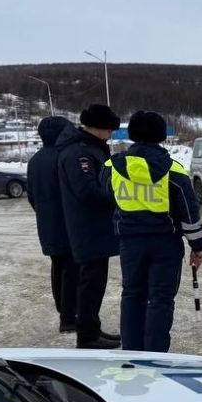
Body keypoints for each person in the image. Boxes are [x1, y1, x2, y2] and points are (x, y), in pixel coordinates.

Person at [103, 111, 202, 353]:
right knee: (160, 299)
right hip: (165, 244)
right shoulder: (175, 171)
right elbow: (189, 215)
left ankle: (131, 349)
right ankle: (156, 353)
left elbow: (105, 196)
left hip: (129, 243)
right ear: (161, 137)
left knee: (132, 295)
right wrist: (198, 246)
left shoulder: (112, 167)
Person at [56, 103, 122, 350]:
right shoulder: (79, 154)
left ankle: (91, 329)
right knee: (90, 283)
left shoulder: (90, 148)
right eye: (110, 130)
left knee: (95, 282)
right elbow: (88, 192)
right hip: (89, 228)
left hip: (95, 228)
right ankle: (86, 336)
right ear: (100, 128)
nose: (111, 135)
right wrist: (119, 194)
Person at [26, 115, 78, 333]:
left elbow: (32, 196)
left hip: (46, 222)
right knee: (72, 269)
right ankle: (68, 317)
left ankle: (62, 310)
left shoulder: (35, 160)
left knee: (58, 266)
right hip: (67, 222)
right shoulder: (64, 157)